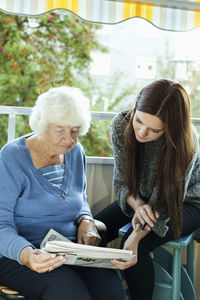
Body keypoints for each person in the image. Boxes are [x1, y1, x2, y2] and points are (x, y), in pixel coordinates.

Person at [0, 86, 125, 300]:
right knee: (70, 292)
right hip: (19, 255)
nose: (69, 139)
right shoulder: (11, 157)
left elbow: (80, 201)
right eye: (60, 130)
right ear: (42, 123)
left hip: (70, 252)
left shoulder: (75, 153)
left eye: (75, 131)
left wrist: (86, 219)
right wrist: (27, 254)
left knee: (110, 289)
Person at [95, 79, 200, 300]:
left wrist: (135, 237)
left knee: (132, 247)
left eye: (154, 130)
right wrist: (139, 205)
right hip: (141, 198)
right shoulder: (121, 124)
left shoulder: (186, 140)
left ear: (170, 129)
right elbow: (122, 183)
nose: (141, 132)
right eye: (139, 120)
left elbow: (170, 200)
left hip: (185, 204)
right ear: (135, 108)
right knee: (96, 232)